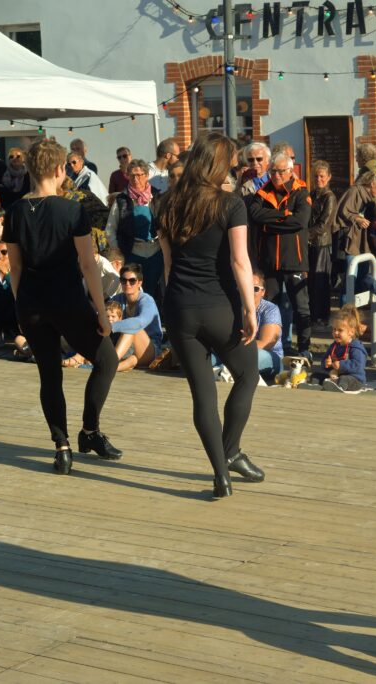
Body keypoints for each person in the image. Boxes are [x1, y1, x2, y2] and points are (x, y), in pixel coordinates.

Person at [4, 138, 122, 474]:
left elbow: (15, 268)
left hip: (31, 303)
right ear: (59, 170)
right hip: (67, 300)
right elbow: (88, 265)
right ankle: (89, 431)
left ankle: (63, 445)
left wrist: (20, 306)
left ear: (29, 169)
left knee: (49, 375)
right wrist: (102, 313)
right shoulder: (71, 209)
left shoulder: (13, 211)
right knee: (106, 359)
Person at [158, 132, 265, 498]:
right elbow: (240, 261)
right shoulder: (230, 204)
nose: (235, 167)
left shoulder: (167, 204)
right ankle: (231, 450)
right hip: (219, 305)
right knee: (248, 374)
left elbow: (169, 267)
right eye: (232, 161)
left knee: (202, 396)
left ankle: (221, 475)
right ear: (220, 164)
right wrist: (251, 309)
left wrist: (174, 309)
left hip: (178, 307)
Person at [247, 151, 313, 357]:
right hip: (269, 262)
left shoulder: (301, 192)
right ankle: (272, 347)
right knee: (270, 306)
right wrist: (285, 216)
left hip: (295, 261)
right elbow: (255, 215)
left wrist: (269, 224)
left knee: (301, 308)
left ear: (290, 171)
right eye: (273, 171)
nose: (276, 175)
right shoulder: (261, 193)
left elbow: (300, 221)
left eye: (281, 172)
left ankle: (304, 348)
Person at [107, 159, 162, 301]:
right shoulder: (122, 200)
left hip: (156, 251)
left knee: (155, 290)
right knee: (135, 291)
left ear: (147, 175)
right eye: (132, 175)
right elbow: (110, 229)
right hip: (132, 252)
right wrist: (118, 250)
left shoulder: (157, 197)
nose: (136, 179)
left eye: (139, 174)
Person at [108, 263, 163, 372]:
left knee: (132, 328)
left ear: (139, 283)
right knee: (133, 360)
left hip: (149, 349)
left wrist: (110, 326)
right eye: (124, 280)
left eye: (132, 281)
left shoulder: (147, 300)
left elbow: (140, 322)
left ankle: (110, 362)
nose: (127, 284)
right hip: (128, 351)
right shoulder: (117, 299)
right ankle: (111, 368)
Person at [310, 304, 367, 392]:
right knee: (315, 375)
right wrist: (327, 363)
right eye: (334, 329)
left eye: (340, 330)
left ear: (351, 332)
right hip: (335, 376)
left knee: (344, 379)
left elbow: (358, 365)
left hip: (355, 379)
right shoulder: (334, 345)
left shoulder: (356, 347)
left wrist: (341, 365)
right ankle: (313, 384)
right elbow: (325, 360)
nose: (336, 332)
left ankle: (339, 387)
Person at [307, 159, 337, 325]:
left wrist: (305, 236)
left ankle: (322, 316)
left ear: (329, 177)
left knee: (320, 282)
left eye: (322, 176)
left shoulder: (329, 197)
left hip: (321, 244)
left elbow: (324, 224)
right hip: (310, 244)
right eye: (316, 176)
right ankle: (313, 315)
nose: (319, 179)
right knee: (311, 282)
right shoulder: (311, 195)